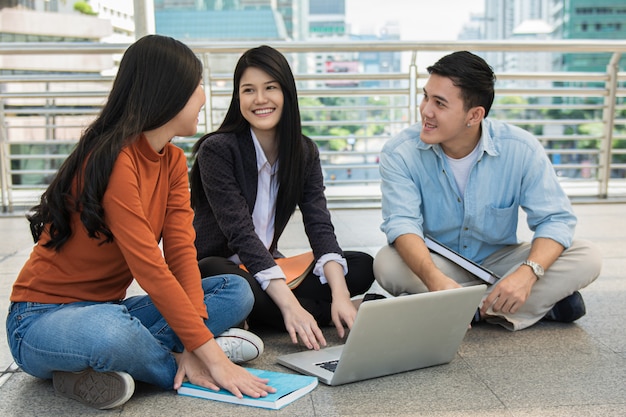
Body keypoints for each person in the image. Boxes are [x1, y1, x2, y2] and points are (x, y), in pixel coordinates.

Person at [5, 35, 275, 410]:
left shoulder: (174, 162)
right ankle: (177, 365)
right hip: (39, 322)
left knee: (235, 289)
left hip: (110, 308)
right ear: (169, 92)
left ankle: (111, 368)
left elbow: (180, 253)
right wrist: (212, 358)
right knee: (110, 333)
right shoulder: (115, 159)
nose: (203, 96)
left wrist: (192, 334)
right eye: (196, 85)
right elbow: (150, 268)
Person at [373, 51, 602, 331]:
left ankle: (461, 309)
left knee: (587, 256)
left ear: (475, 115)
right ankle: (517, 307)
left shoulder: (520, 148)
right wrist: (434, 280)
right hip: (440, 262)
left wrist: (527, 274)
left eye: (439, 103)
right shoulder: (401, 152)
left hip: (500, 261)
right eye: (425, 97)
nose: (425, 111)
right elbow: (402, 223)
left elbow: (555, 219)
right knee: (387, 264)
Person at [190, 45, 375, 350]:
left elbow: (319, 223)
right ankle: (302, 312)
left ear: (286, 93)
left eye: (270, 88)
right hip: (221, 269)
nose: (260, 99)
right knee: (237, 288)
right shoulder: (218, 150)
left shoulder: (303, 152)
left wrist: (341, 295)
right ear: (238, 98)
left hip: (267, 267)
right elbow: (241, 235)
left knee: (360, 265)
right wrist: (290, 305)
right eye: (249, 90)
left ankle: (270, 315)